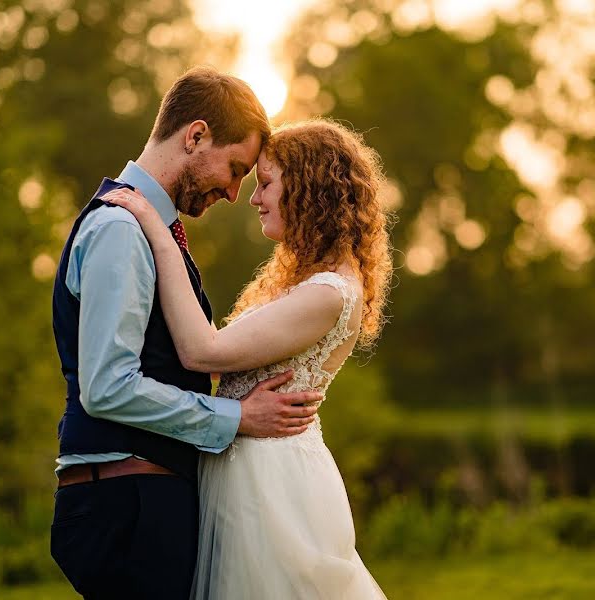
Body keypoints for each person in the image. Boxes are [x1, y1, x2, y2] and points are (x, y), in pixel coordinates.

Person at [50, 66, 323, 600]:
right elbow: (107, 386)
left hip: (139, 493)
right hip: (128, 502)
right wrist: (238, 417)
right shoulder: (120, 229)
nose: (233, 191)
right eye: (235, 168)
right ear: (195, 136)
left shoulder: (149, 228)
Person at [103, 117, 393, 598]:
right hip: (246, 465)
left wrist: (155, 229)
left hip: (271, 480)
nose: (253, 198)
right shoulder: (303, 280)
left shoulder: (328, 292)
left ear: (308, 188)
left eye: (265, 183)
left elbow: (203, 351)